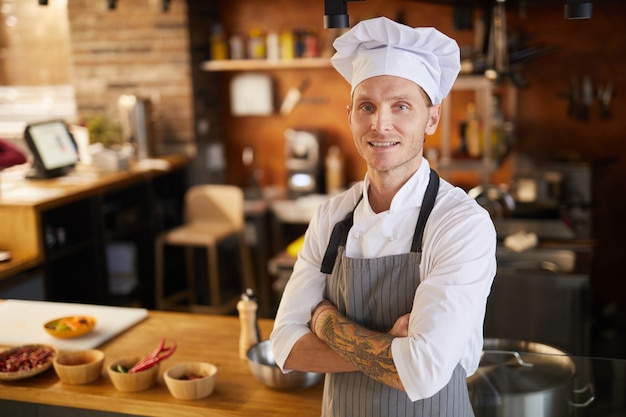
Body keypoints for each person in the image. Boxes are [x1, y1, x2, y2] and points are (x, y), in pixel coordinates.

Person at [270, 16, 496, 417]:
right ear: (351, 115)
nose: (380, 123)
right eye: (367, 106)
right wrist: (391, 349)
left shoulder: (461, 223)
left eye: (401, 106)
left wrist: (325, 323)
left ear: (432, 118)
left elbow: (424, 372)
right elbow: (284, 345)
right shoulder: (332, 216)